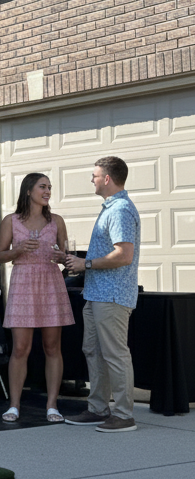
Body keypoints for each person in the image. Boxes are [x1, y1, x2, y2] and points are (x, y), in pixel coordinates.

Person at [64, 156, 141, 432]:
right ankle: (98, 408)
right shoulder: (110, 208)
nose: (92, 180)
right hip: (96, 293)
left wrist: (84, 263)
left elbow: (123, 255)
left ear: (107, 178)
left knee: (115, 354)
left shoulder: (120, 209)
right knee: (94, 351)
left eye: (94, 175)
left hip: (112, 295)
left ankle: (123, 415)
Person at [0, 173, 74, 423]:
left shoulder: (57, 221)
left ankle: (52, 405)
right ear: (28, 190)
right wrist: (17, 250)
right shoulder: (11, 220)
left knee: (52, 347)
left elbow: (65, 256)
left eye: (50, 187)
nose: (48, 191)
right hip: (23, 282)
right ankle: (14, 405)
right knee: (20, 348)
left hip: (50, 281)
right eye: (43, 187)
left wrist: (64, 258)